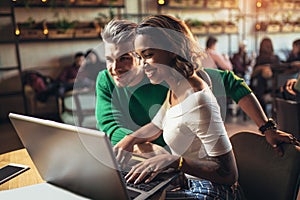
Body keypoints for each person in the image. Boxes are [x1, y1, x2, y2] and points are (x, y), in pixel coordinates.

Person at [95, 19, 299, 158]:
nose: (115, 68)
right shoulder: (105, 80)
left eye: (124, 58)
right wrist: (142, 145)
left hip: (186, 164)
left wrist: (267, 128)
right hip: (144, 157)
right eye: (109, 59)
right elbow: (111, 126)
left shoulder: (166, 74)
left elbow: (232, 82)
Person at [114, 14, 241, 199]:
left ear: (172, 48)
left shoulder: (198, 100)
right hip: (188, 181)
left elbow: (229, 174)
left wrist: (175, 161)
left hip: (213, 191)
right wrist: (129, 140)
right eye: (139, 57)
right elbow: (158, 125)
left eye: (149, 55)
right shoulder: (176, 87)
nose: (143, 66)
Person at [250, 37, 281, 113]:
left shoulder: (259, 59)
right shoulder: (276, 58)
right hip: (275, 87)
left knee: (259, 79)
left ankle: (262, 114)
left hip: (261, 89)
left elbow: (252, 75)